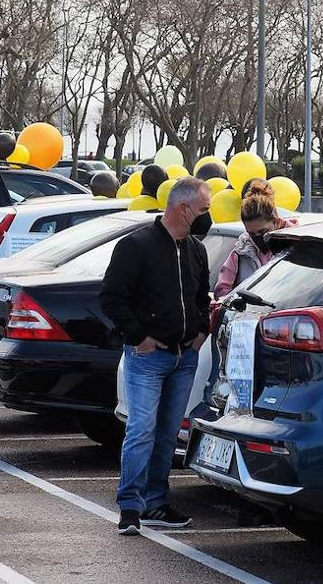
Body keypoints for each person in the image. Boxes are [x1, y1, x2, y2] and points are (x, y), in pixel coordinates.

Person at [99, 176, 212, 536]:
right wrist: (138, 336)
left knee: (167, 433)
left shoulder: (196, 249)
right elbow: (112, 297)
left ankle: (156, 503)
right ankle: (130, 507)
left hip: (184, 356)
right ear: (183, 208)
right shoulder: (137, 246)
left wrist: (200, 332)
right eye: (204, 209)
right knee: (142, 430)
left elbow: (201, 297)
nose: (208, 216)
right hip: (148, 357)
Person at [213, 179, 297, 299]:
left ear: (276, 222)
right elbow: (222, 292)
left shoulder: (297, 247)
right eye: (252, 233)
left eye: (263, 232)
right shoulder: (240, 252)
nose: (258, 237)